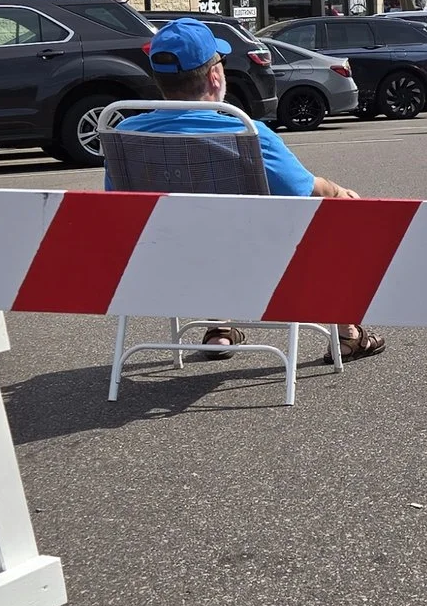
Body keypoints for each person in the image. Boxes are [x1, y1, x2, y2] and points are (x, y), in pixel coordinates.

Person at [102, 18, 381, 361]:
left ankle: (218, 326)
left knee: (200, 228)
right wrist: (339, 193)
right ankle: (347, 333)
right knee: (332, 214)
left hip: (158, 266)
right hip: (256, 267)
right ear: (214, 76)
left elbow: (118, 205)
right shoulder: (246, 134)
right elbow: (304, 191)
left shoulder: (125, 134)